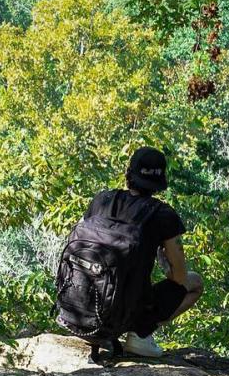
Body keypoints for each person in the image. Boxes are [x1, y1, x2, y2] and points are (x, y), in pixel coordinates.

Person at [80, 146, 204, 357]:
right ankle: (140, 334)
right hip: (122, 313)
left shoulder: (102, 199)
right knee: (195, 283)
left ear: (129, 173)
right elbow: (180, 277)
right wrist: (164, 263)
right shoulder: (162, 215)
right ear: (160, 180)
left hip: (80, 307)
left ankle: (102, 328)